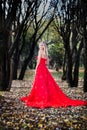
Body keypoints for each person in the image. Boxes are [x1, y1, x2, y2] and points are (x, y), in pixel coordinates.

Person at [20, 41, 87, 108]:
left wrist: (36, 69)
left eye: (42, 45)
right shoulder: (46, 53)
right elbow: (47, 63)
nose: (41, 46)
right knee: (44, 83)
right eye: (40, 45)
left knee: (40, 83)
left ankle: (41, 97)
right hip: (45, 69)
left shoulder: (40, 52)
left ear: (44, 46)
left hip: (40, 68)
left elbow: (38, 62)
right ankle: (44, 96)